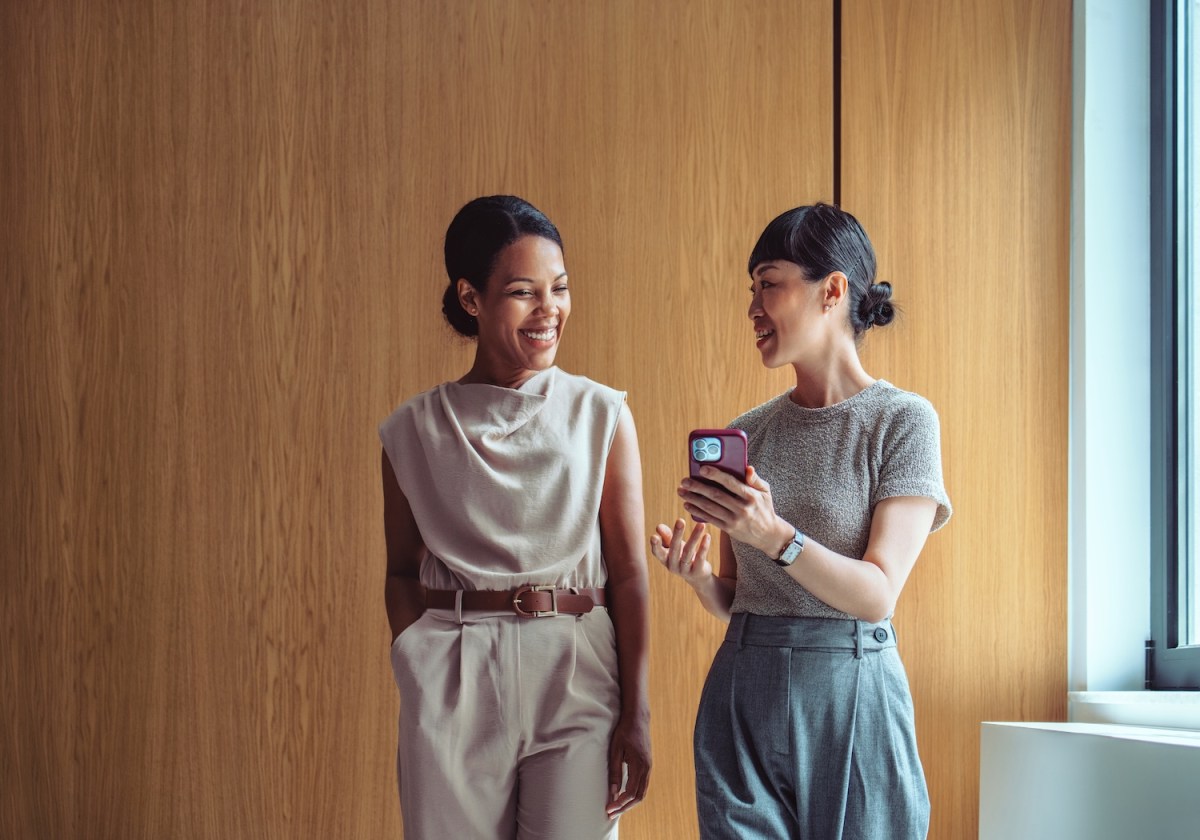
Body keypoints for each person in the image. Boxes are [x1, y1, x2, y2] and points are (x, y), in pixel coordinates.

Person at [652, 203, 951, 839]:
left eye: (769, 283)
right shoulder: (748, 432)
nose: (754, 307)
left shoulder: (902, 422)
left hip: (853, 696)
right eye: (751, 289)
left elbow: (876, 595)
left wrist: (773, 535)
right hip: (743, 691)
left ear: (832, 291)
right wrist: (702, 578)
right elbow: (744, 599)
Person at [380, 195, 651, 839]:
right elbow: (399, 571)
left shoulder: (601, 414)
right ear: (470, 297)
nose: (549, 310)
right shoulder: (412, 429)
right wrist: (418, 662)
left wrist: (636, 714)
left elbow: (631, 573)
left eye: (559, 288)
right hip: (453, 674)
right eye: (524, 291)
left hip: (577, 668)